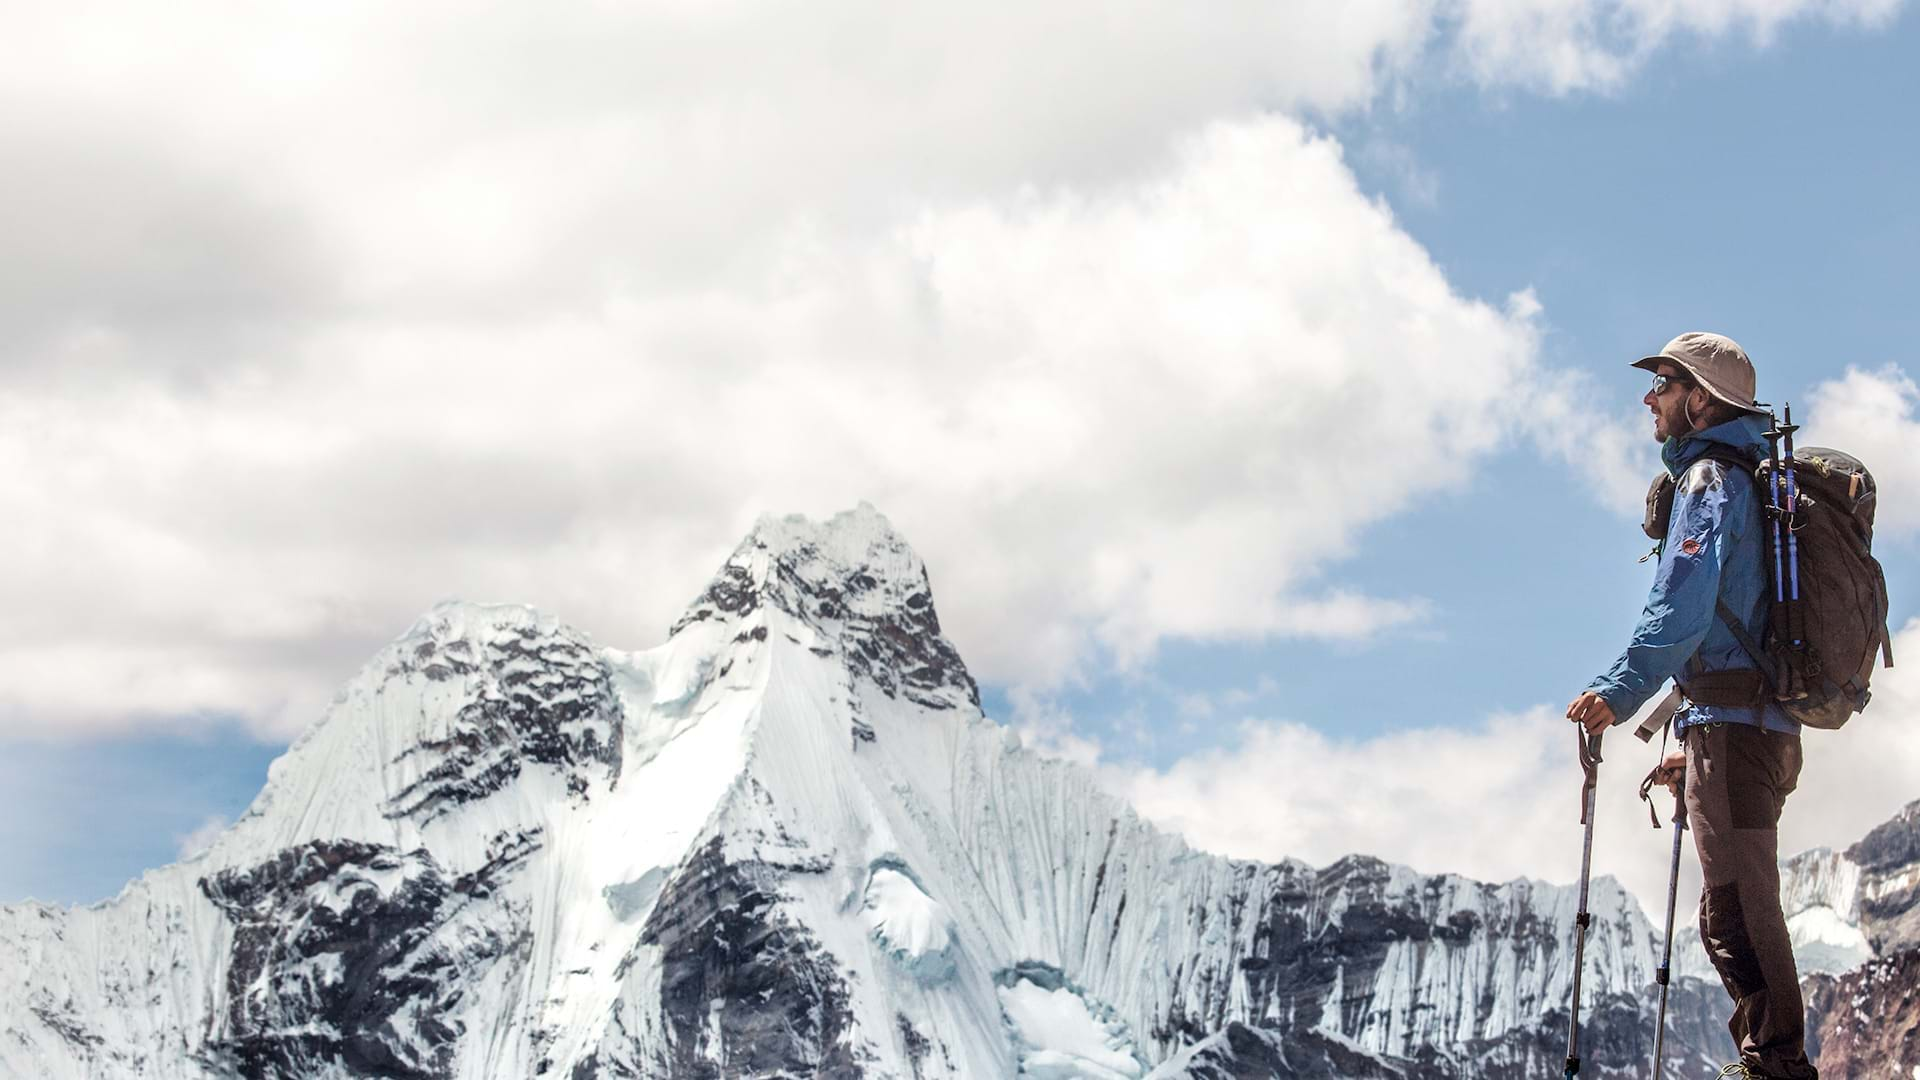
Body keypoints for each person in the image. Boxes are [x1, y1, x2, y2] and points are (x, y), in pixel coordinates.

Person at [1563, 332, 1817, 1079]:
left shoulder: (1710, 480)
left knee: (1738, 906)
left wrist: (1617, 690)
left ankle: (1778, 1065)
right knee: (1728, 905)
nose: (1650, 397)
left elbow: (1681, 607)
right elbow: (1732, 622)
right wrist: (1687, 733)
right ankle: (1772, 1059)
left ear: (1700, 398)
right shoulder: (1747, 479)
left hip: (1736, 731)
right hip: (1744, 724)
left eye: (1665, 383)